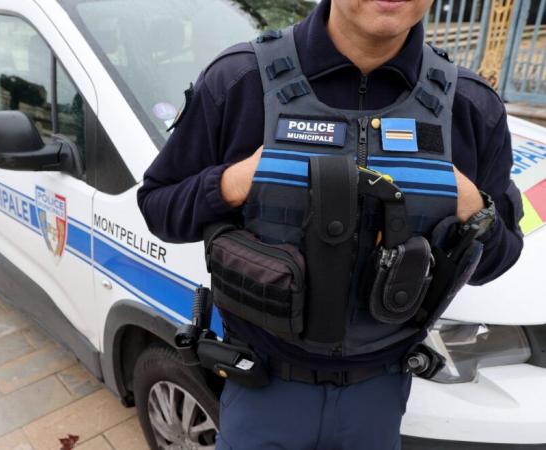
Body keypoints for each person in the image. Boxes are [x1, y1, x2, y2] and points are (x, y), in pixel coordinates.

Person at [137, 0, 524, 448]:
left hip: (379, 397)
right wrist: (229, 183)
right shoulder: (239, 81)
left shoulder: (471, 107)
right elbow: (158, 206)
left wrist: (475, 210)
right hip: (260, 389)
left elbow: (501, 255)